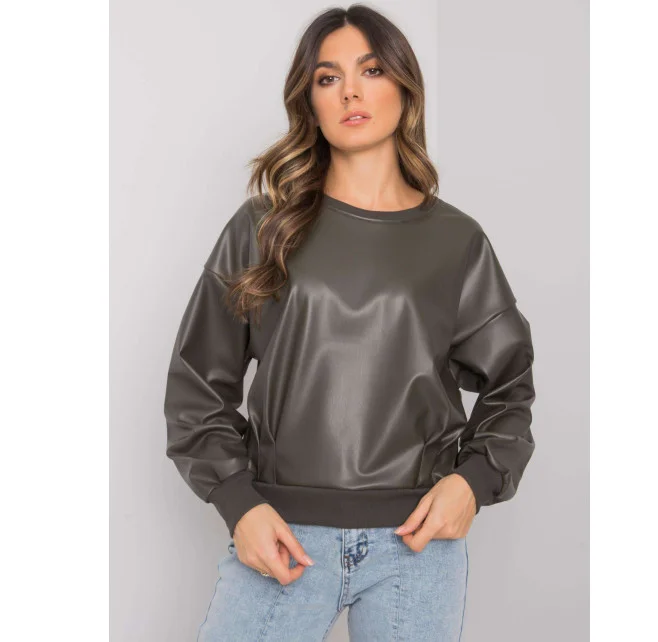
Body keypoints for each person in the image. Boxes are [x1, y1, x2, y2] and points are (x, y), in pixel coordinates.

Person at [163, 4, 536, 641]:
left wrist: (471, 484)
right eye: (328, 78)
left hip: (415, 545)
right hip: (282, 536)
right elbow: (198, 383)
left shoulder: (457, 241)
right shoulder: (263, 228)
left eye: (371, 70)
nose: (351, 92)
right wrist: (239, 504)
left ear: (405, 86)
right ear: (309, 102)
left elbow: (510, 385)